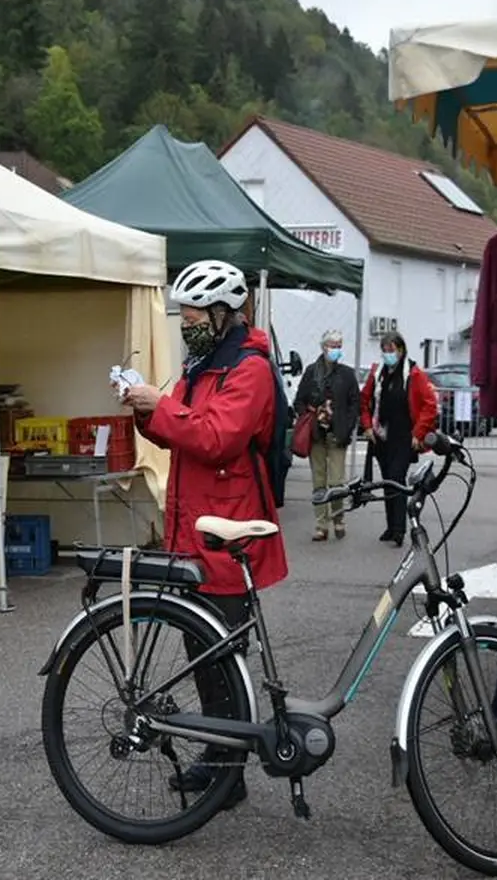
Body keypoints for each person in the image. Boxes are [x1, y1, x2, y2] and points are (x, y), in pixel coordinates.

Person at [122, 258, 287, 810]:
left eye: (192, 316)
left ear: (221, 313)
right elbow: (182, 432)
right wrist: (145, 410)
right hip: (195, 525)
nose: (186, 324)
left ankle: (227, 772)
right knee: (202, 653)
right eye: (184, 316)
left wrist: (161, 407)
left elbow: (218, 438)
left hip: (227, 529)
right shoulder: (203, 363)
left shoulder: (249, 368)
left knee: (223, 657)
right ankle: (221, 764)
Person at [359, 331, 438, 547]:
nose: (388, 354)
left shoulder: (413, 373)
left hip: (404, 437)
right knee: (387, 481)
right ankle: (390, 526)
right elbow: (364, 400)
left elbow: (430, 405)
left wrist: (418, 433)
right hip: (381, 436)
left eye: (391, 350)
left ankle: (399, 530)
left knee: (396, 478)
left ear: (401, 350)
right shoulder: (378, 373)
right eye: (384, 350)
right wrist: (367, 426)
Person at [293, 329, 360, 542]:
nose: (336, 349)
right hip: (316, 434)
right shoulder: (312, 372)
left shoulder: (347, 374)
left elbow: (354, 404)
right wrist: (309, 415)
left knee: (337, 481)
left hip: (338, 434)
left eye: (339, 346)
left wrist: (347, 428)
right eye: (332, 345)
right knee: (319, 481)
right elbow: (299, 401)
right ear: (323, 347)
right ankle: (321, 524)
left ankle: (338, 519)